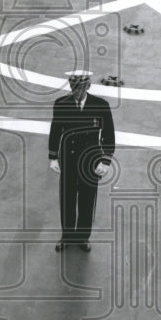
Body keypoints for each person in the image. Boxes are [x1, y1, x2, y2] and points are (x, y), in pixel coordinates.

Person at [47, 71, 116, 252]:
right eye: (75, 87)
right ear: (70, 86)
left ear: (88, 86)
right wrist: (53, 157)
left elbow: (109, 135)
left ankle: (83, 237)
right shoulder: (61, 104)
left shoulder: (100, 105)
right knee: (67, 200)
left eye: (82, 87)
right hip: (68, 160)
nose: (78, 90)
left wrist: (106, 161)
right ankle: (67, 237)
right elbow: (55, 130)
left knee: (87, 200)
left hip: (90, 162)